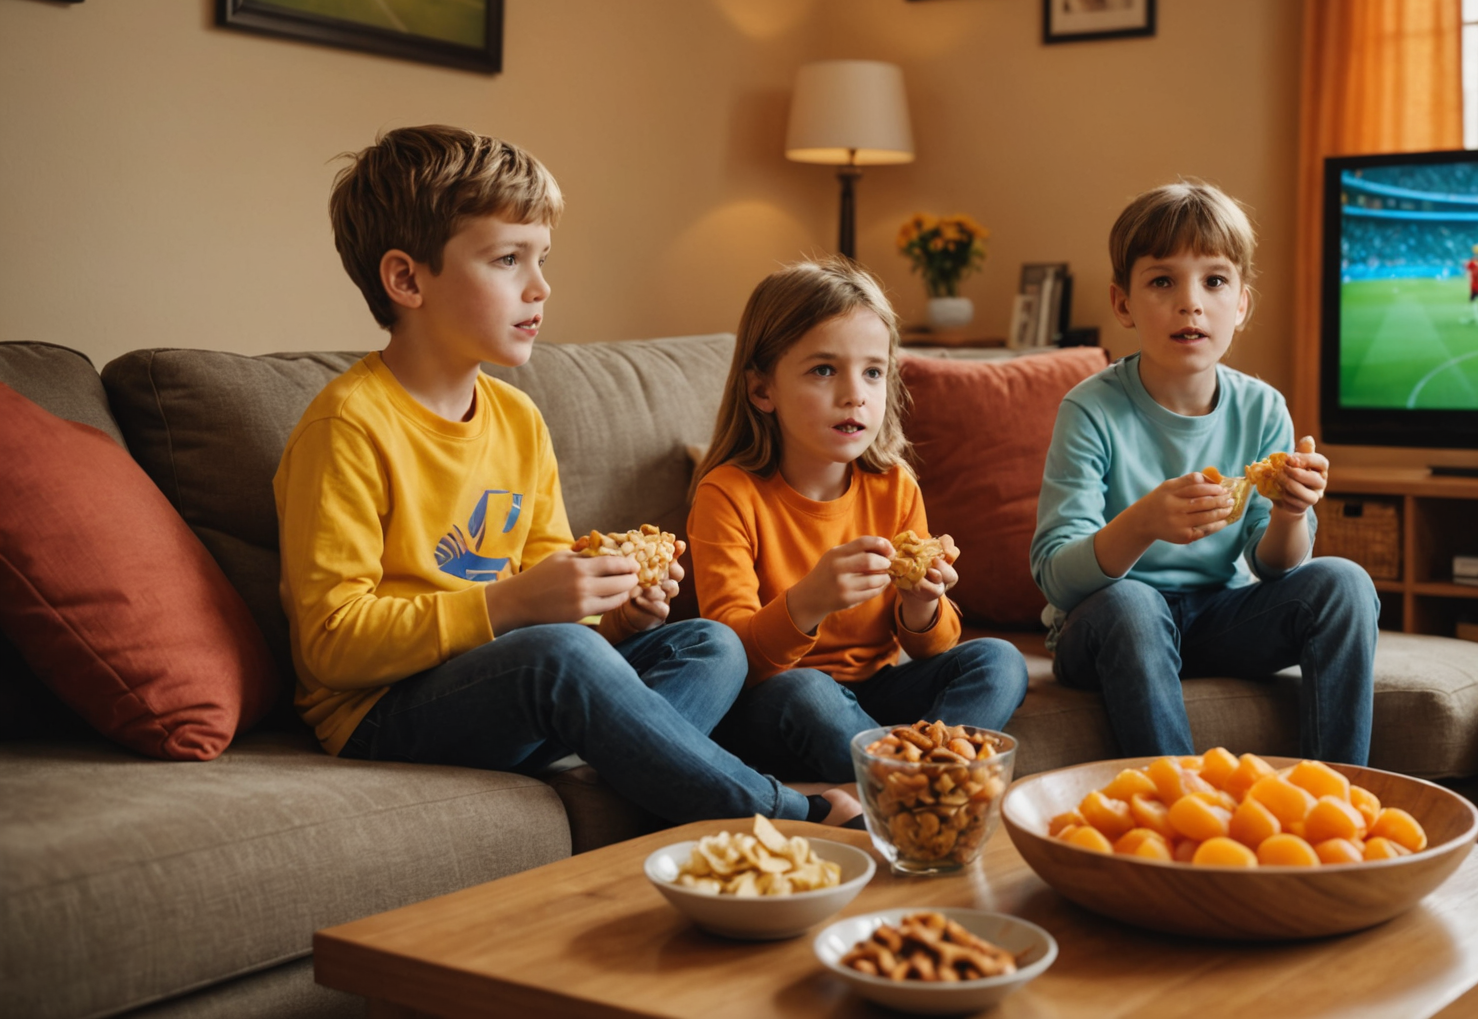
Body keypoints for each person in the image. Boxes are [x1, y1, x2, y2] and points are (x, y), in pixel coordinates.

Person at [274, 125, 857, 827]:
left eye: (542, 258)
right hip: (385, 711)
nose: (540, 286)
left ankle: (628, 764)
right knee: (559, 654)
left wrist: (618, 614)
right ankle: (778, 807)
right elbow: (331, 642)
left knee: (711, 642)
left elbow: (556, 598)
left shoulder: (518, 419)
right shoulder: (348, 427)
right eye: (507, 260)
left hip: (525, 683)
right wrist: (507, 607)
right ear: (406, 279)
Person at [1030, 180, 1380, 762]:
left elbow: (1274, 567)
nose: (1190, 302)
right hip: (1108, 626)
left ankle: (1336, 803)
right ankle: (1181, 805)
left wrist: (1293, 511)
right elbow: (1056, 578)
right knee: (1135, 603)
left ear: (1240, 305)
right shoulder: (1090, 409)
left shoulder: (1264, 407)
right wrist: (1141, 523)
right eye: (1162, 281)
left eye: (1215, 281)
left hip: (1218, 619)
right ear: (1123, 304)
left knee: (1344, 582)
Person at [689, 261, 1027, 782]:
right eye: (824, 370)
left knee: (999, 662)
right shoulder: (728, 494)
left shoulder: (894, 486)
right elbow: (736, 661)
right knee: (807, 691)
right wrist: (810, 600)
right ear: (762, 390)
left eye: (872, 372)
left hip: (877, 688)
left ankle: (916, 772)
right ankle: (911, 782)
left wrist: (922, 604)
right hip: (775, 698)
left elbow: (933, 647)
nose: (855, 394)